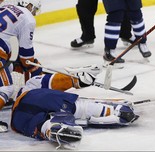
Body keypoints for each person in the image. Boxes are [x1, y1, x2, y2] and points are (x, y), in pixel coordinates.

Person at [9, 64, 138, 150]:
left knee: (38, 124)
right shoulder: (29, 85)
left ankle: (53, 128)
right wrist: (77, 80)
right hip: (36, 97)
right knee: (79, 107)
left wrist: (78, 80)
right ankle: (113, 111)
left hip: (18, 119)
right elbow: (53, 81)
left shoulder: (15, 106)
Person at [0, 0, 43, 113]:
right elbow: (26, 55)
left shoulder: (6, 6)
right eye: (34, 9)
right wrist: (33, 66)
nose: (34, 13)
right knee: (6, 89)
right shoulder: (28, 18)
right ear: (29, 5)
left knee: (9, 67)